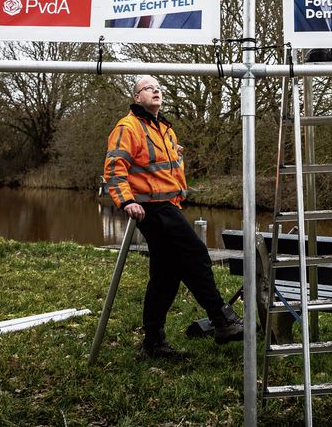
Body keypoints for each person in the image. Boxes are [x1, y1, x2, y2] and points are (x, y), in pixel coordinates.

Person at [102, 76, 244, 358]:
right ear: (137, 97)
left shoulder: (165, 128)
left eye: (158, 88)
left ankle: (153, 342)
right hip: (152, 208)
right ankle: (222, 320)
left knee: (165, 276)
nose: (156, 91)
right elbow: (114, 166)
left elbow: (166, 169)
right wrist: (126, 200)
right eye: (148, 88)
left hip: (169, 205)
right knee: (196, 255)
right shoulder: (127, 126)